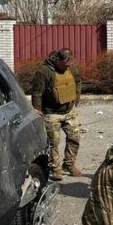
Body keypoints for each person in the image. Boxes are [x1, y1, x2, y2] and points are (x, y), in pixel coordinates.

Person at [31, 48, 82, 181]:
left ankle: (69, 165)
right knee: (54, 143)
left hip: (70, 110)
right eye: (65, 63)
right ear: (58, 60)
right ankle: (56, 168)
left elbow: (77, 82)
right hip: (51, 113)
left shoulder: (72, 67)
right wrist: (37, 110)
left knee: (74, 138)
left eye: (69, 62)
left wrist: (76, 100)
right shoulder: (44, 72)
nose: (68, 66)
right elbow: (37, 92)